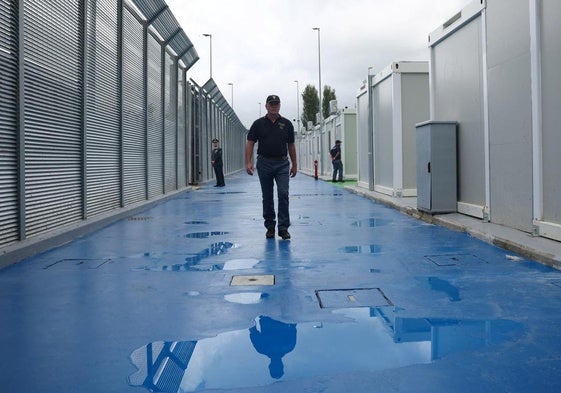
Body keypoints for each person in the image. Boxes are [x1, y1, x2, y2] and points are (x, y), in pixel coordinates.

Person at [246, 95, 297, 240]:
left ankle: (283, 228)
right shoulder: (258, 124)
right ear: (266, 106)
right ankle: (270, 227)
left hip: (282, 164)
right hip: (264, 163)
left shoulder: (287, 124)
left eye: (276, 104)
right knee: (267, 196)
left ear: (279, 106)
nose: (274, 106)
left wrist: (295, 164)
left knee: (283, 193)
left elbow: (291, 145)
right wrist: (248, 162)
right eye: (271, 104)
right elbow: (250, 142)